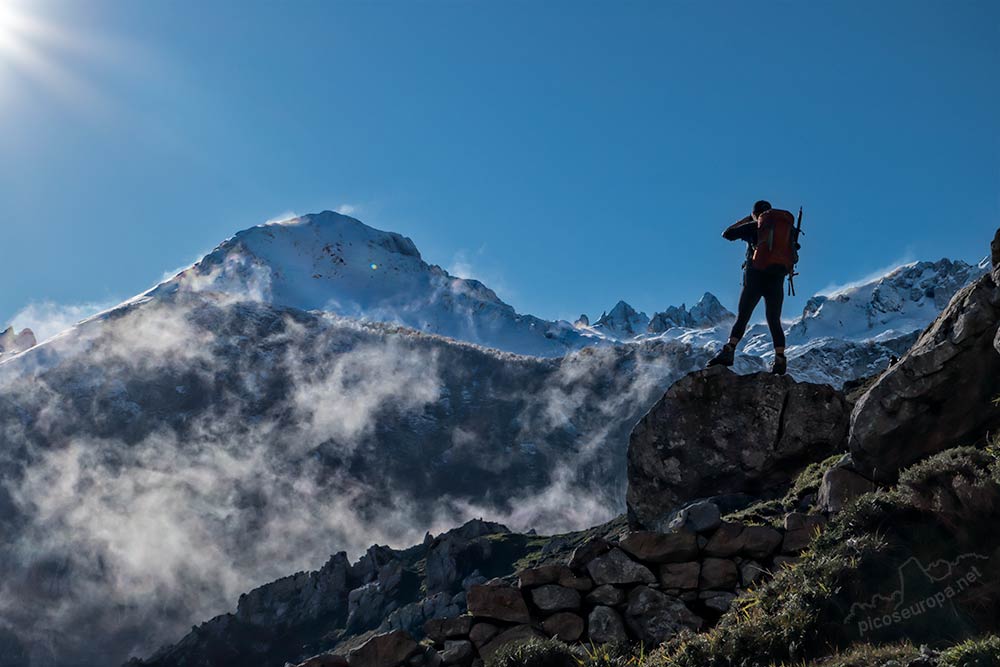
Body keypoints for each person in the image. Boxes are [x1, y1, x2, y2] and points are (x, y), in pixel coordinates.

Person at [708, 199, 796, 375]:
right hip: (777, 279)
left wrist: (747, 220)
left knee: (743, 316)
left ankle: (729, 351)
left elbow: (727, 234)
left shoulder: (754, 226)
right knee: (774, 320)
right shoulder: (788, 231)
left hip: (755, 277)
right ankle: (780, 361)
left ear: (757, 214)